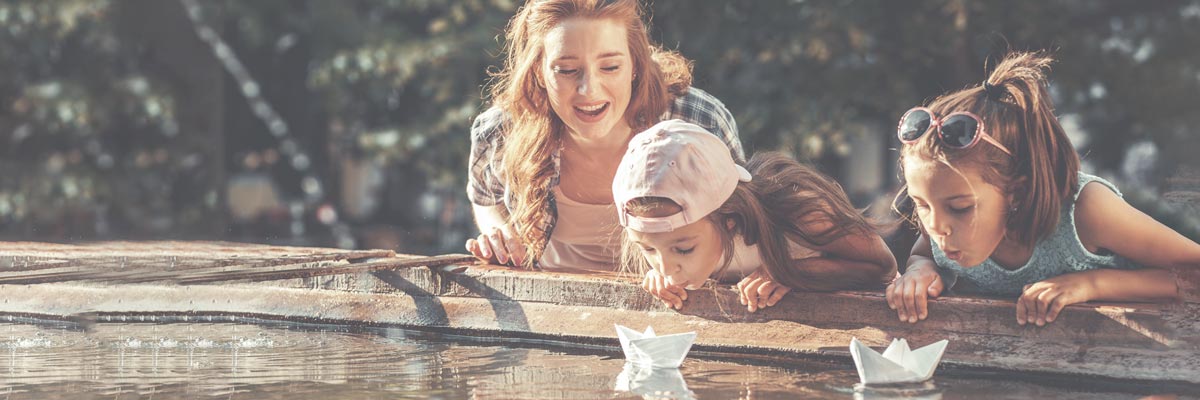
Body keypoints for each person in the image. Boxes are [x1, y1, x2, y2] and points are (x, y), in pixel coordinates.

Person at [886, 52, 1199, 326]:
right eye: (921, 204)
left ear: (1016, 192)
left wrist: (1093, 283)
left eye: (960, 208)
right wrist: (919, 270)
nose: (935, 226)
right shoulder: (942, 215)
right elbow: (922, 254)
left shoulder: (1084, 210)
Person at [465, 0, 744, 271]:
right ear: (538, 71)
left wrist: (775, 269)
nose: (589, 90)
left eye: (610, 67)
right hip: (552, 304)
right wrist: (498, 234)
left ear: (636, 64)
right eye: (567, 70)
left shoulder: (698, 120)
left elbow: (749, 218)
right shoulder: (500, 131)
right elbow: (485, 199)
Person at [615, 119, 898, 312]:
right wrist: (655, 276)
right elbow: (664, 258)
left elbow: (882, 267)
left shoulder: (800, 211)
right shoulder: (673, 247)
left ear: (729, 220)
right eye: (648, 248)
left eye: (684, 249)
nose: (667, 269)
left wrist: (790, 272)